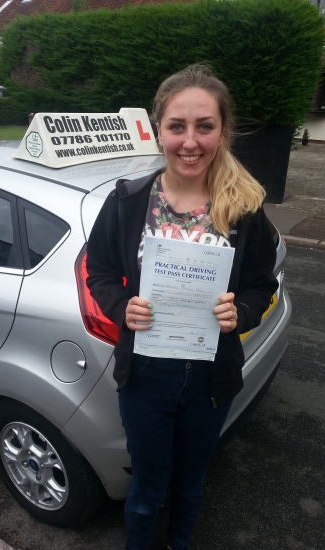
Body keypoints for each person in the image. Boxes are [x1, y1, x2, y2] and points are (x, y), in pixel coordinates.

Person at [86, 64, 278, 550]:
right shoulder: (129, 201)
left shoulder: (245, 209)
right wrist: (121, 305)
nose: (190, 141)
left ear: (222, 131)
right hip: (147, 374)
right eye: (177, 126)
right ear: (159, 130)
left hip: (211, 379)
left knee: (191, 484)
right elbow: (100, 272)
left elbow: (262, 283)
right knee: (148, 489)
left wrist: (245, 312)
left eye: (204, 127)